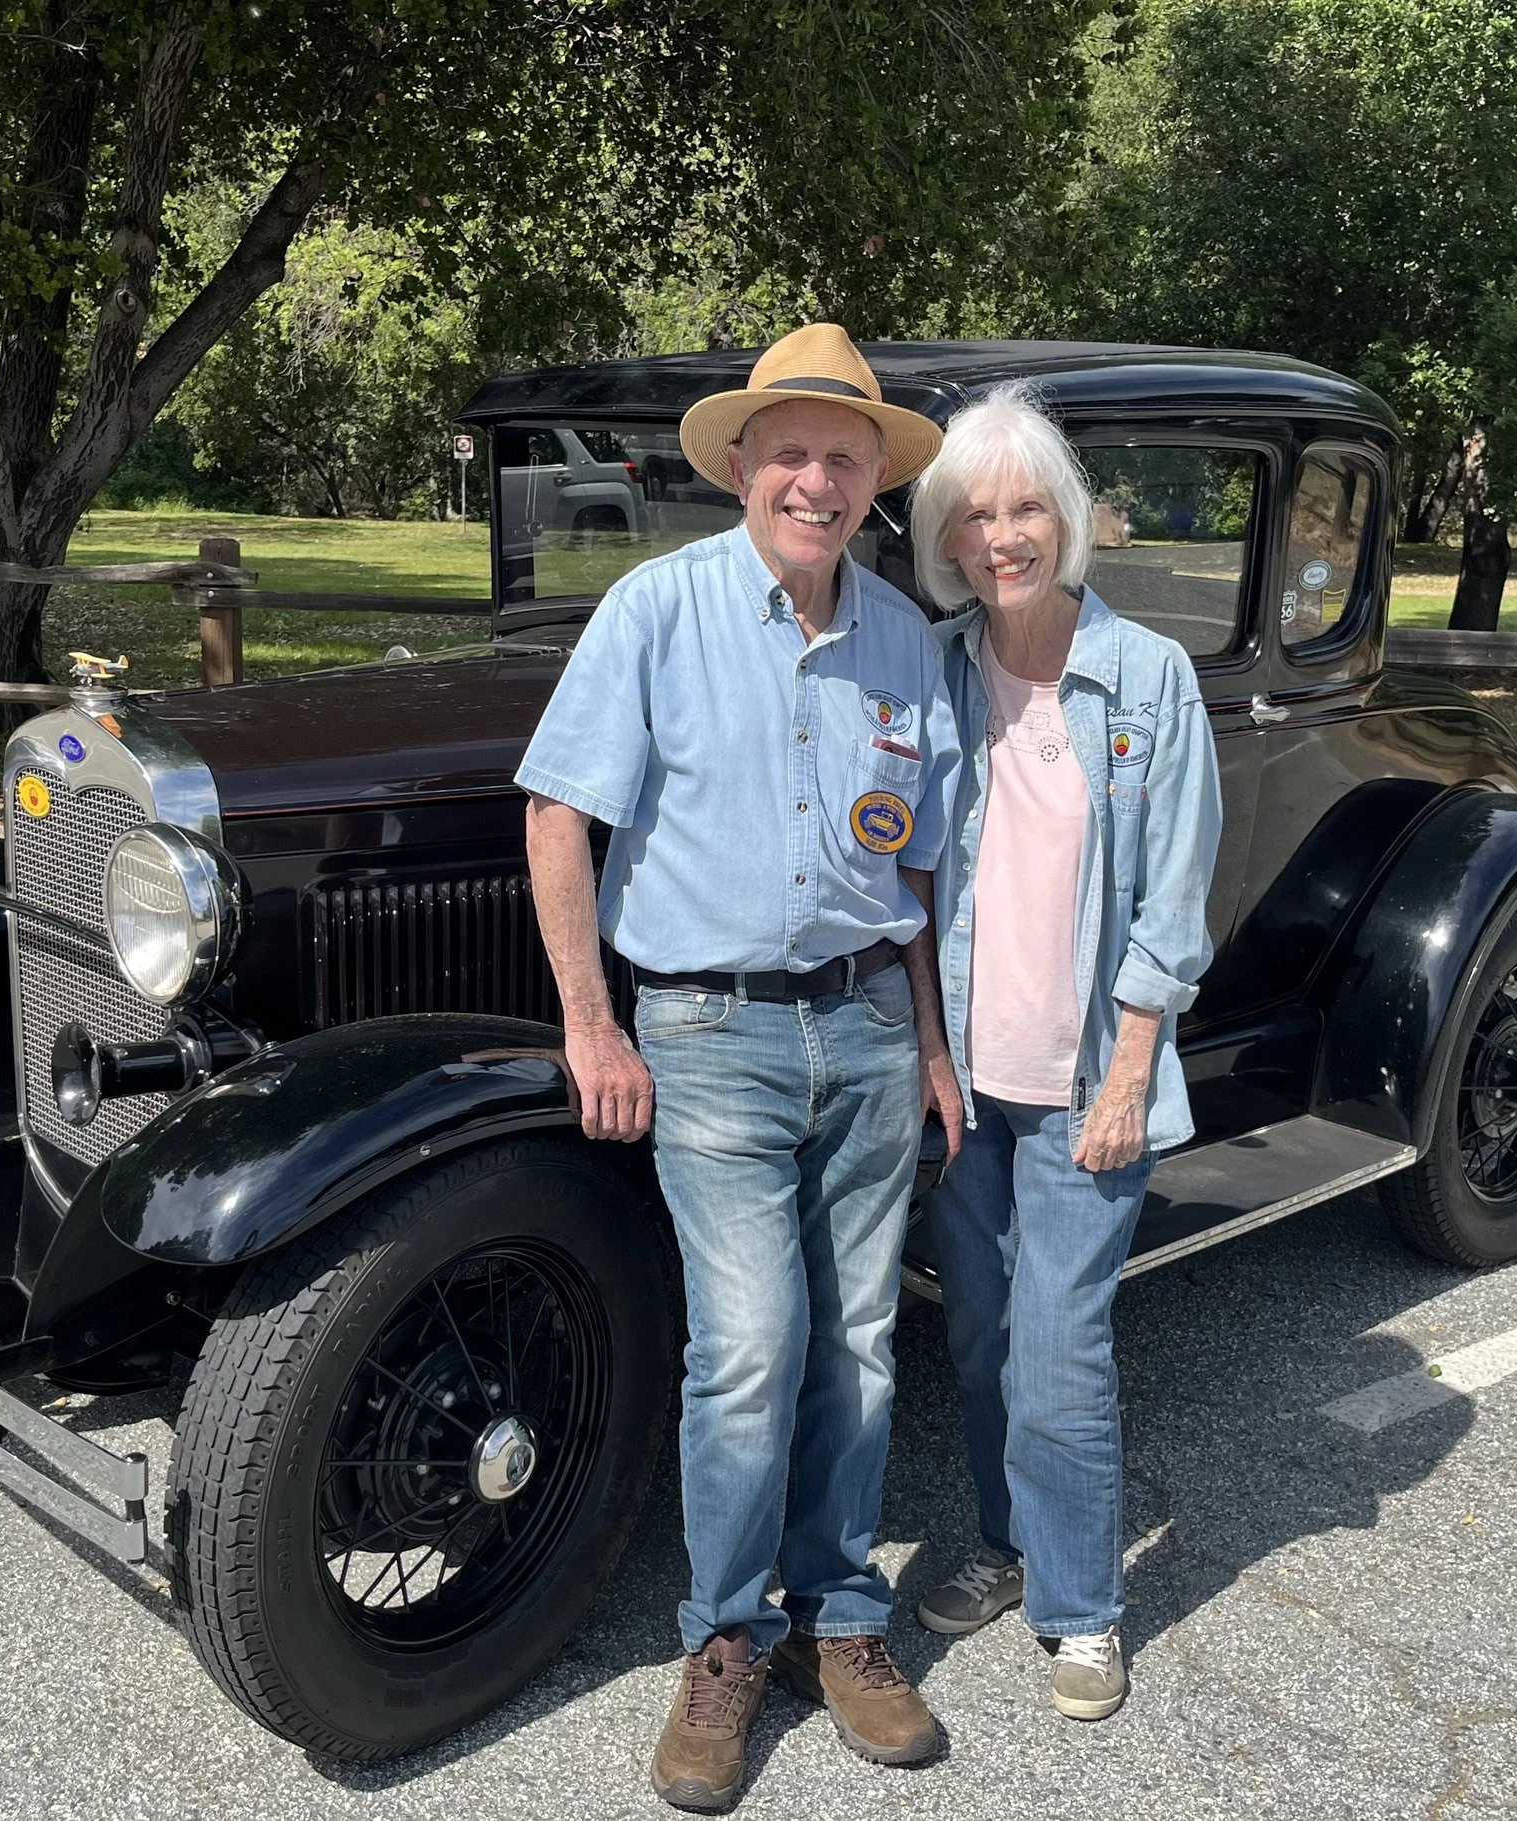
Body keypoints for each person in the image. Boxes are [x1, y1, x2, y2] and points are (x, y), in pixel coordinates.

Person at [515, 323, 964, 1812]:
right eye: (792, 455)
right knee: (755, 1348)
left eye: (845, 459)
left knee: (862, 1342)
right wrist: (593, 1021)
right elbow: (559, 816)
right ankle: (723, 1640)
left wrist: (931, 1041)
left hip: (868, 1025)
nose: (817, 481)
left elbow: (920, 874)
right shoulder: (656, 610)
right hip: (706, 1033)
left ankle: (842, 1619)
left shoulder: (905, 641)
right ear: (740, 468)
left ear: (871, 485)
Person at [907, 383, 1221, 1721]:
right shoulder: (928, 669)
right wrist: (924, 1050)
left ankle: (1081, 1607)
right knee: (978, 1336)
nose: (1003, 535)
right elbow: (905, 881)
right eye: (975, 515)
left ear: (1068, 519)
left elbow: (1174, 896)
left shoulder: (1145, 679)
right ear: (947, 539)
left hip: (1091, 1079)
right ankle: (1007, 1538)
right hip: (965, 1082)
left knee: (1059, 1346)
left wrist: (1130, 1075)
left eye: (1026, 505)